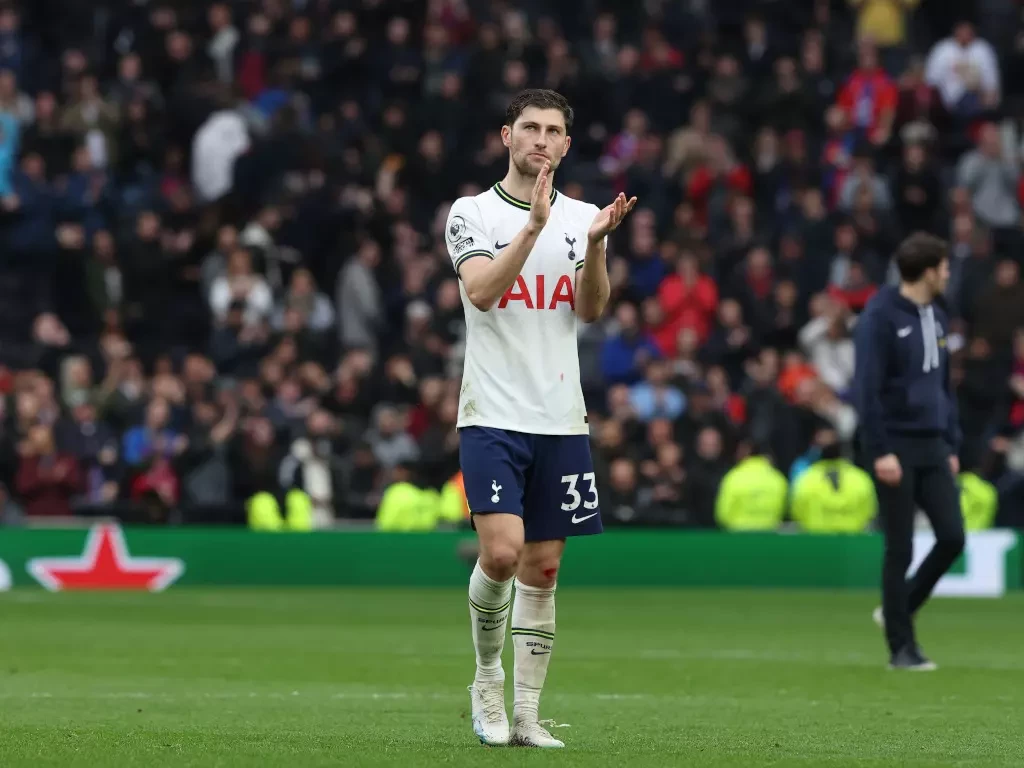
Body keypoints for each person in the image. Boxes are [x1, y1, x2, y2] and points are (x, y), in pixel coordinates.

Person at [444, 89, 636, 748]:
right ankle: (486, 682)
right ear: (506, 135)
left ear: (566, 144)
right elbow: (483, 291)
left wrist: (598, 245)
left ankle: (527, 714)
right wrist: (533, 224)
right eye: (530, 128)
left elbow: (590, 311)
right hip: (491, 411)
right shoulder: (470, 213)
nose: (541, 140)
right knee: (500, 554)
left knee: (544, 568)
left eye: (553, 131)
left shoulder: (583, 216)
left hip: (560, 416)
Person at [853, 232, 965, 671]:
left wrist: (951, 441)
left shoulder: (936, 316)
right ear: (929, 270)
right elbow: (867, 389)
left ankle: (896, 610)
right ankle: (902, 648)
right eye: (944, 267)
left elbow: (943, 386)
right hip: (894, 444)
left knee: (953, 537)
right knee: (899, 547)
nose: (948, 274)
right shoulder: (879, 316)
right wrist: (879, 449)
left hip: (933, 444)